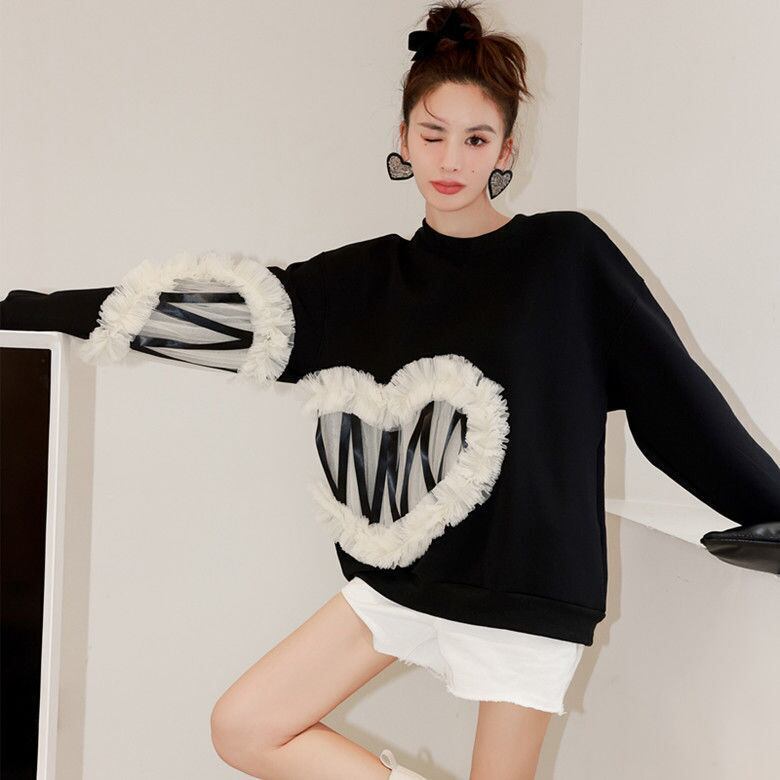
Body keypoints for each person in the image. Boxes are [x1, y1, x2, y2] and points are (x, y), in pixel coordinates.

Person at [2, 2, 779, 779]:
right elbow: (221, 310)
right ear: (403, 139)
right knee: (244, 727)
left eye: (475, 139)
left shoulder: (567, 256)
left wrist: (769, 504)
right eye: (433, 135)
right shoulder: (369, 279)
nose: (451, 159)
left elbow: (675, 402)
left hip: (529, 586)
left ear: (505, 150)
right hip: (406, 580)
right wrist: (30, 311)